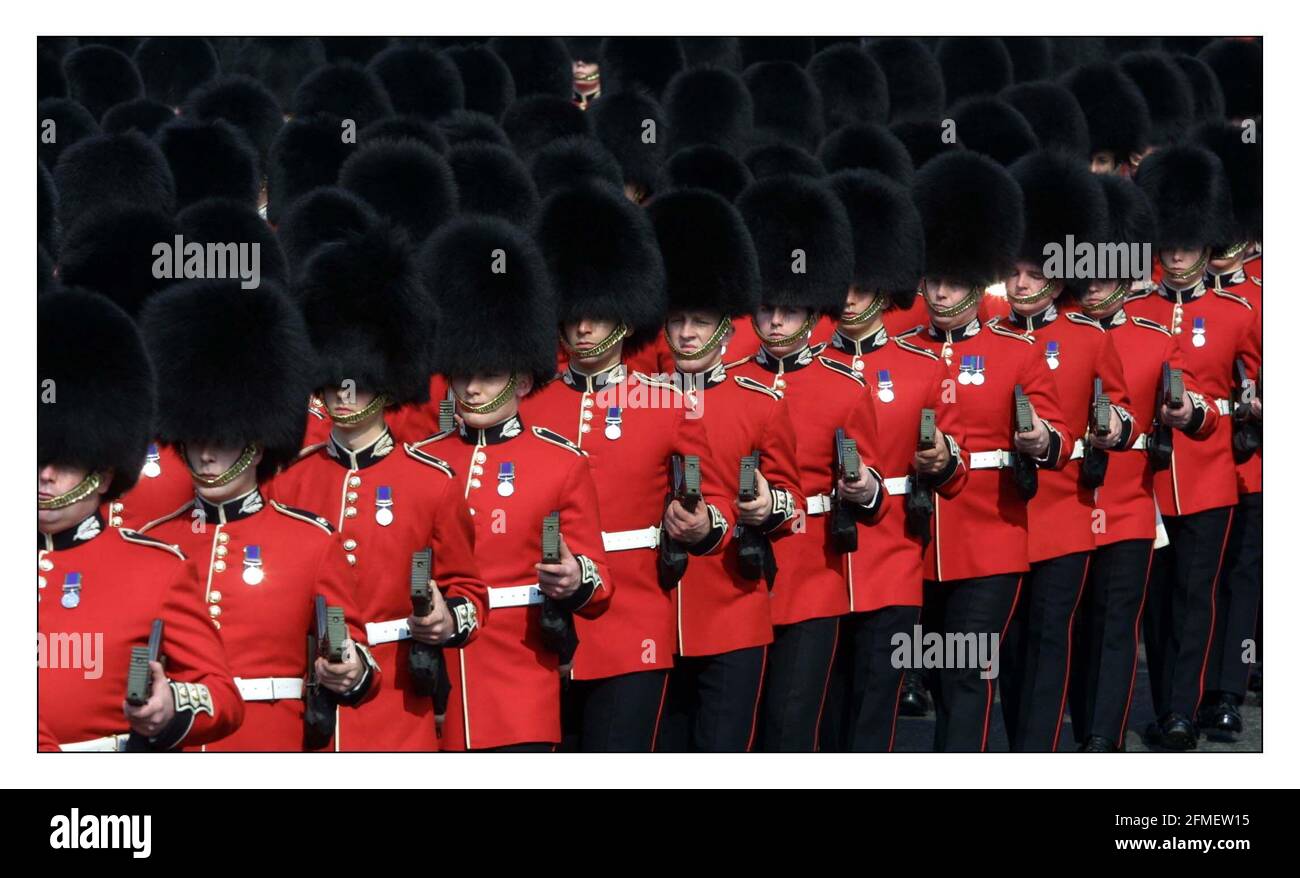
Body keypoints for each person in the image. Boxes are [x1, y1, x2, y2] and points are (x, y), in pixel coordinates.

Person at [523, 181, 733, 751]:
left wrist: (701, 526)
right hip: (537, 623)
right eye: (574, 314)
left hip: (634, 617)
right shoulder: (529, 405)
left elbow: (714, 506)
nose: (583, 328)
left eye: (596, 314)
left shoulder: (666, 402)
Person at [270, 224, 489, 751]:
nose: (343, 393)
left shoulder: (431, 484)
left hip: (395, 709)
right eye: (333, 379)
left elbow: (469, 594)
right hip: (307, 713)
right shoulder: (290, 481)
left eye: (360, 380)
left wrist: (445, 620)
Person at [138, 279, 379, 751]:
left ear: (255, 440)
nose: (206, 456)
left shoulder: (311, 542)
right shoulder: (154, 542)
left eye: (222, 439)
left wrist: (350, 667)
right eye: (195, 439)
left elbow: (356, 659)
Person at [416, 215, 613, 751]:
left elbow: (600, 584)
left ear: (523, 380)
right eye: (463, 375)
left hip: (519, 673)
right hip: (426, 680)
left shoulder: (560, 463)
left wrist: (575, 577)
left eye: (490, 375)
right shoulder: (421, 463)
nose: (473, 389)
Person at [906, 151, 1072, 751]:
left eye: (954, 281)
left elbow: (1056, 435)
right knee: (933, 674)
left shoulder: (1017, 351)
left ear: (979, 282)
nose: (942, 292)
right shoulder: (901, 353)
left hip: (991, 536)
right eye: (935, 280)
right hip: (917, 542)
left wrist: (1039, 441)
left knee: (968, 672)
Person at [39, 287, 244, 751]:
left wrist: (171, 705)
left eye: (64, 460)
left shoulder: (157, 571)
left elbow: (223, 696)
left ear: (104, 472)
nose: (45, 476)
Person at [727, 173, 889, 751]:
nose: (773, 323)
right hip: (734, 573)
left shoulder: (845, 388)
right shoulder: (728, 386)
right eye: (766, 310)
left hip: (812, 571)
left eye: (788, 313)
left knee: (792, 727)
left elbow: (873, 499)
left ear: (811, 312)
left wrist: (862, 486)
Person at [647, 188, 805, 752]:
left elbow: (794, 503)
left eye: (702, 320)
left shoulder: (760, 401)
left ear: (725, 325)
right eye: (678, 319)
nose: (687, 333)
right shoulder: (636, 402)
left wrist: (769, 509)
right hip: (653, 616)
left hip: (732, 608)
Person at [817, 169, 968, 751]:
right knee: (824, 704)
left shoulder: (924, 369)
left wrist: (940, 458)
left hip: (892, 557)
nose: (849, 297)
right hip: (819, 563)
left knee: (876, 698)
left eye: (863, 285)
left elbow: (952, 474)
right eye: (844, 283)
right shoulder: (804, 370)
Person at [1067, 174, 1218, 752]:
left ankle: (1102, 737)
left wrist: (1186, 410)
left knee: (1113, 624)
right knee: (1065, 628)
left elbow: (1195, 411)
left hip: (1127, 501)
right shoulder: (1049, 337)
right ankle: (1077, 726)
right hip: (1061, 505)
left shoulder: (1154, 337)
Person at [997, 151, 1135, 752]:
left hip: (1064, 512)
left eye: (1033, 272)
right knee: (1010, 641)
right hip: (997, 516)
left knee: (1051, 635)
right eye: (1014, 271)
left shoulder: (1087, 337)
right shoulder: (985, 339)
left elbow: (1122, 412)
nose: (1022, 284)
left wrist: (1107, 427)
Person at [1126, 144, 1261, 749]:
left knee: (1196, 594)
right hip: (1147, 480)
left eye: (1187, 243)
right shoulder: (1135, 309)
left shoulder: (1236, 313)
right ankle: (1168, 701)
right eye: (1170, 242)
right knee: (1155, 602)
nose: (1177, 254)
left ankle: (1184, 708)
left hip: (1209, 473)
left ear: (1208, 242)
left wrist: (1239, 406)